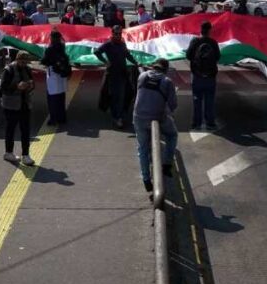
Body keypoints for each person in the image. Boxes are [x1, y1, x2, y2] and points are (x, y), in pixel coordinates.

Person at [132, 58, 178, 194]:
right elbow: (173, 105)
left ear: (153, 67)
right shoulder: (167, 82)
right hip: (158, 117)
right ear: (165, 69)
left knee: (142, 148)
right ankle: (167, 164)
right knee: (172, 135)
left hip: (138, 117)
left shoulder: (142, 76)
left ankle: (146, 179)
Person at [94, 25, 138, 128]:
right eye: (116, 33)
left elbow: (127, 55)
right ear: (112, 33)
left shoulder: (122, 44)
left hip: (123, 73)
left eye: (119, 33)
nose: (118, 35)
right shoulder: (108, 45)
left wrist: (136, 62)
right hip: (113, 75)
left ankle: (121, 113)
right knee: (116, 96)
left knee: (128, 93)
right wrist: (106, 62)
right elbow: (97, 52)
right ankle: (116, 118)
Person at [0, 51, 36, 166]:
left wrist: (30, 85)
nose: (25, 64)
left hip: (25, 104)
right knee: (10, 129)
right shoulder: (8, 70)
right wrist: (16, 86)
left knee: (25, 130)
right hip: (11, 105)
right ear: (17, 59)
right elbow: (3, 88)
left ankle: (26, 155)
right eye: (23, 61)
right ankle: (8, 152)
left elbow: (32, 84)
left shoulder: (28, 69)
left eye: (26, 62)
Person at [185, 21, 220, 130]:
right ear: (210, 31)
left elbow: (188, 55)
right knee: (209, 99)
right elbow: (218, 57)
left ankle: (197, 123)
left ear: (200, 30)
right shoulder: (213, 42)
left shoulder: (195, 41)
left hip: (197, 75)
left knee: (197, 99)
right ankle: (210, 123)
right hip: (210, 76)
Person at [40, 30, 70, 126]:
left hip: (53, 74)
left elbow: (44, 61)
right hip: (62, 75)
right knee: (61, 97)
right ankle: (62, 117)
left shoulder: (50, 49)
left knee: (52, 98)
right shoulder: (62, 47)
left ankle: (53, 119)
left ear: (52, 38)